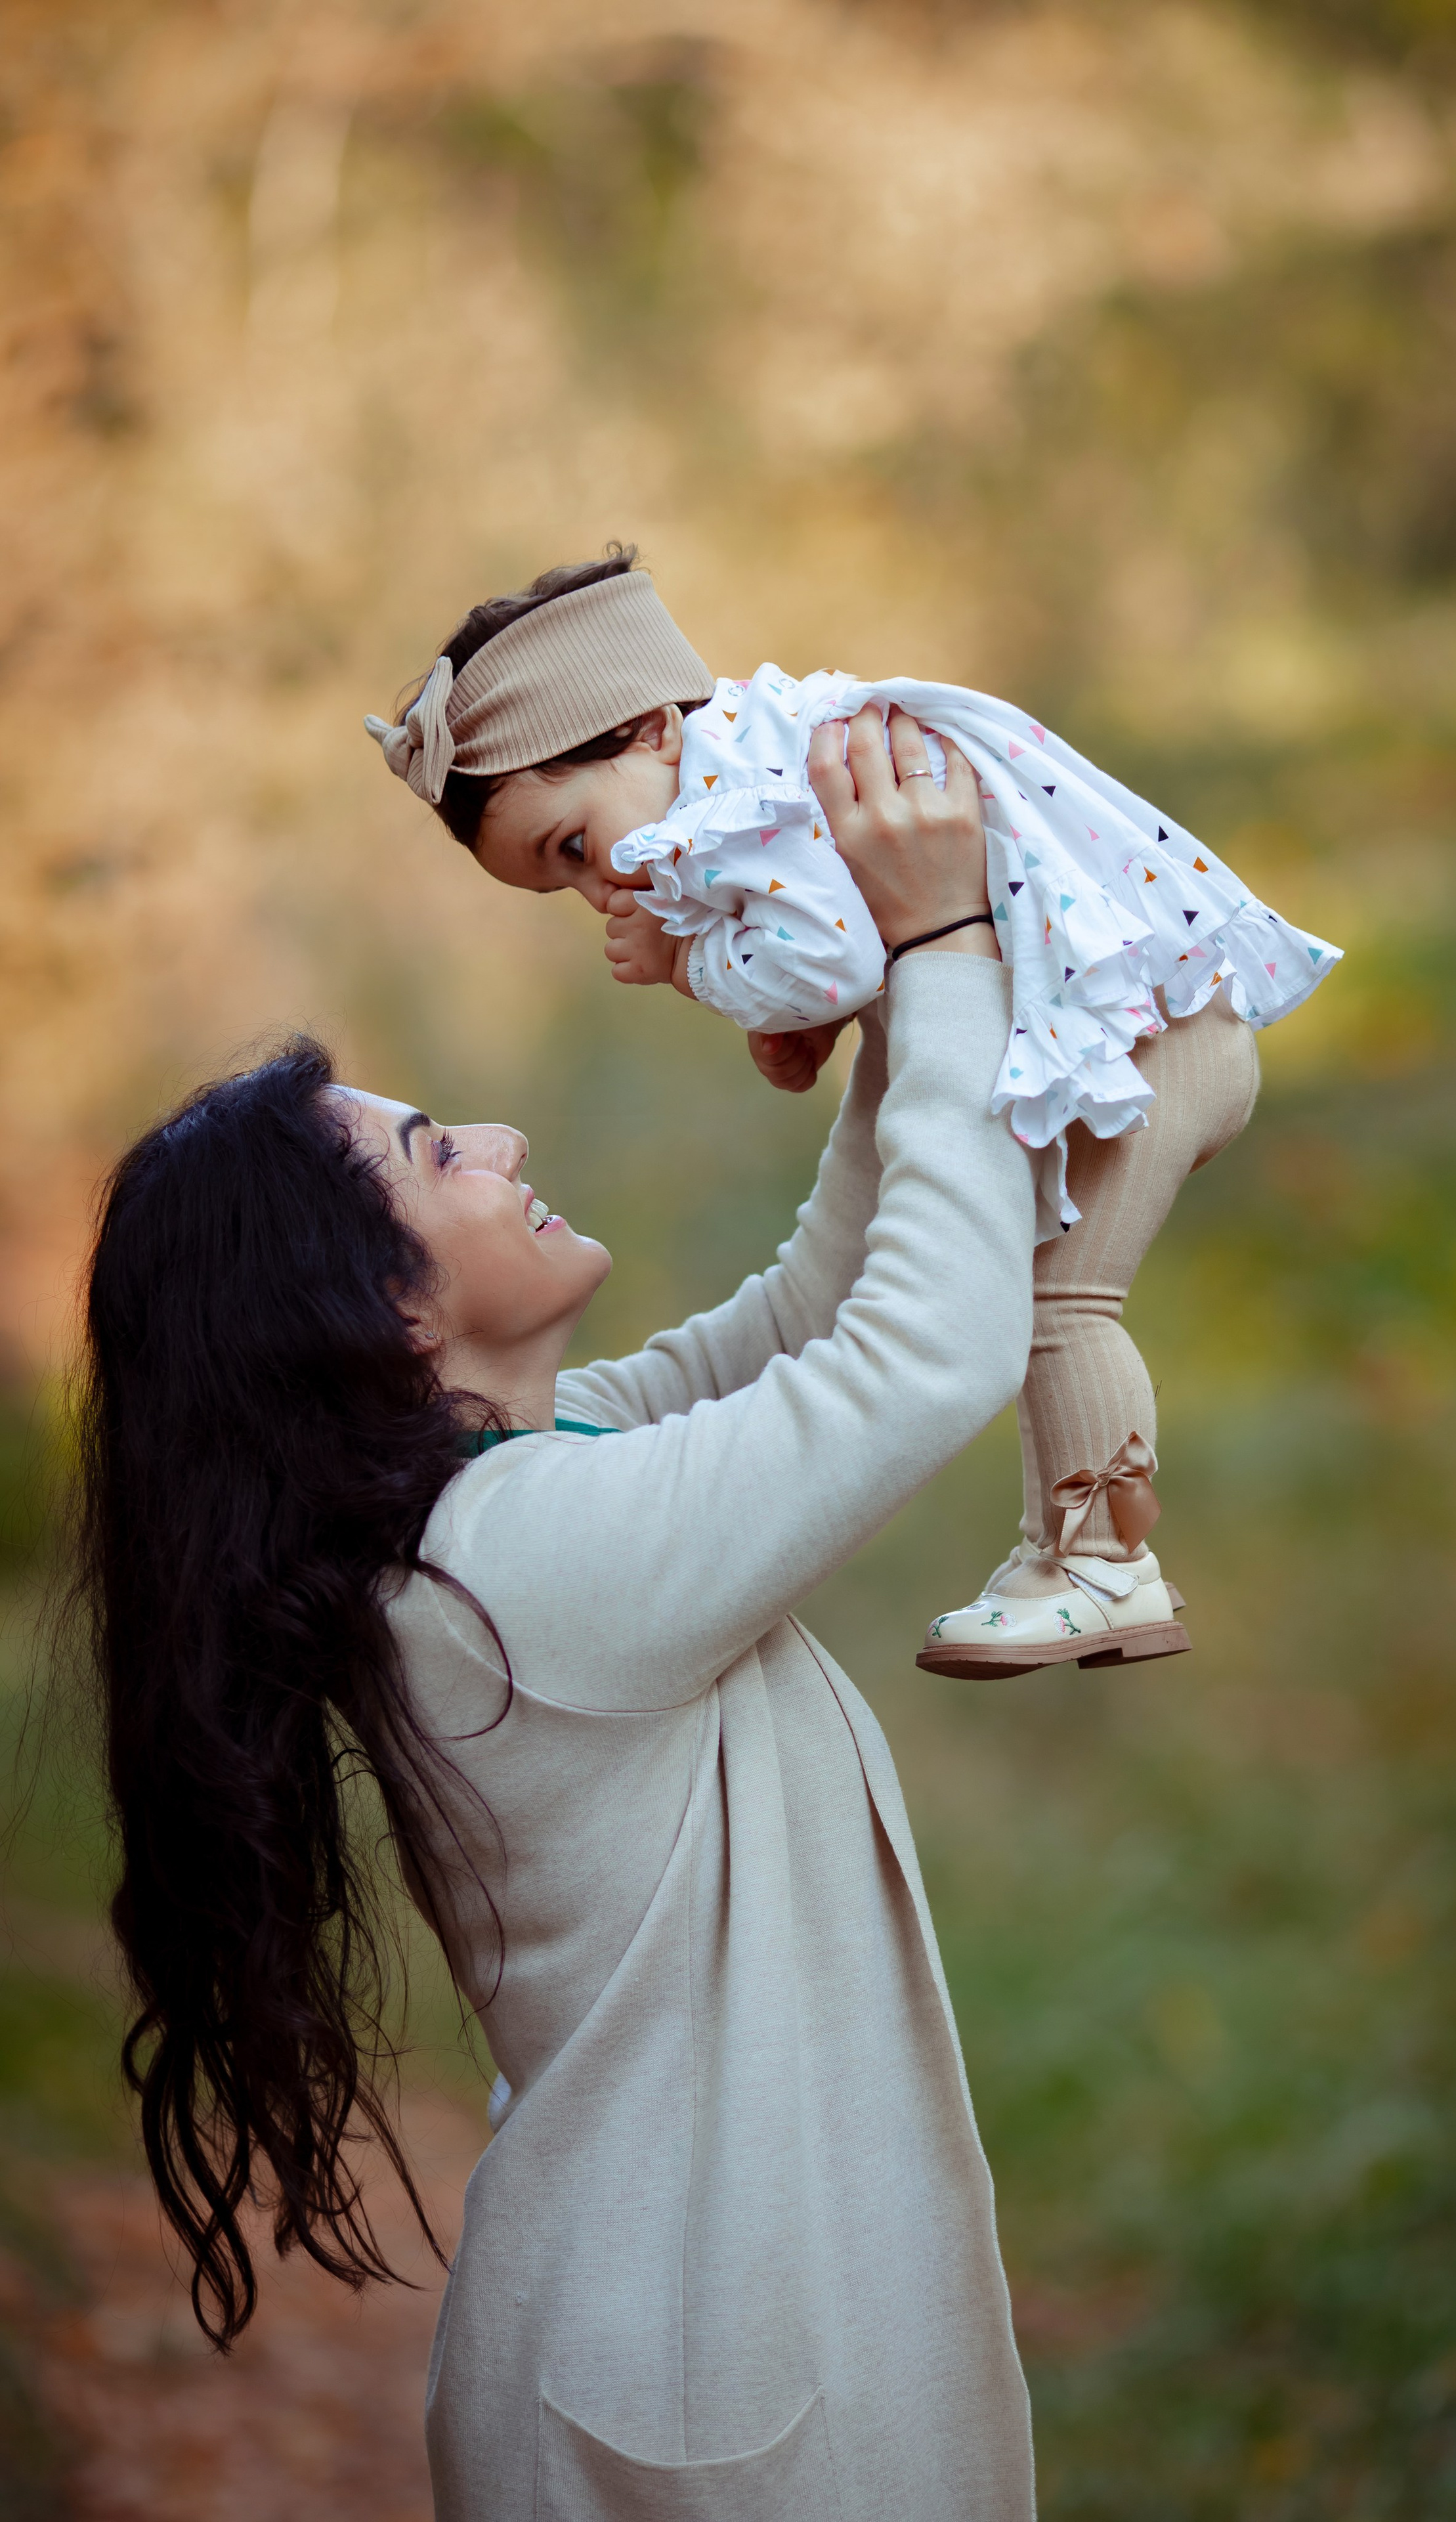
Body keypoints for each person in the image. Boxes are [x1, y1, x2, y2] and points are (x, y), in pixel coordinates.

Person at [77, 708, 1038, 2519]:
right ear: (369, 1310)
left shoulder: (513, 1491)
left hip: (685, 2340)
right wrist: (944, 939)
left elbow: (813, 1312)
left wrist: (896, 997)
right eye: (437, 1151)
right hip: (708, 2381)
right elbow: (924, 1356)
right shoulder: (519, 1567)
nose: (500, 1133)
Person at [366, 549, 1341, 1680]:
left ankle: (1099, 1567)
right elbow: (869, 939)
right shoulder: (765, 759)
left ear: (645, 728)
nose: (600, 891)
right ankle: (1077, 1558)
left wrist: (694, 965)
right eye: (564, 885)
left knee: (1061, 1299)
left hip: (1153, 1032)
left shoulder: (754, 801)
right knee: (1047, 1288)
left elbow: (835, 951)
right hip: (1132, 1022)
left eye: (575, 848)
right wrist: (805, 1027)